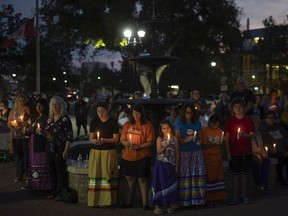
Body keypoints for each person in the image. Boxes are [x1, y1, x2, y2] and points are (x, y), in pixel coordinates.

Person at [119, 103, 155, 210]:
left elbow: (150, 141)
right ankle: (128, 202)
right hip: (128, 156)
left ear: (142, 114)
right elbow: (122, 139)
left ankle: (145, 203)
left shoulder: (147, 125)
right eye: (134, 113)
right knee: (129, 179)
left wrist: (139, 146)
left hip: (142, 156)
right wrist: (127, 144)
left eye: (138, 113)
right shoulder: (127, 125)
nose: (135, 116)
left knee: (142, 179)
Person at [87, 102, 120, 207]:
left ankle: (106, 201)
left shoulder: (113, 122)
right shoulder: (94, 122)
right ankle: (94, 200)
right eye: (98, 111)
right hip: (96, 152)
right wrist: (94, 141)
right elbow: (91, 137)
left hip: (108, 151)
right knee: (95, 174)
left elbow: (116, 138)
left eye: (102, 111)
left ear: (107, 110)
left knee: (106, 174)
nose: (100, 114)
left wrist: (103, 140)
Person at [224, 98, 256, 205]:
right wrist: (228, 152)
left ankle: (244, 195)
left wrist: (245, 135)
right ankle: (235, 196)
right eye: (235, 107)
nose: (238, 109)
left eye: (240, 107)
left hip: (246, 152)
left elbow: (253, 134)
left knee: (244, 175)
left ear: (244, 108)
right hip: (234, 153)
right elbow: (227, 137)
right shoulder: (230, 120)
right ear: (233, 109)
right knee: (235, 175)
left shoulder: (248, 120)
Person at [175, 103, 206, 207]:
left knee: (196, 174)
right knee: (185, 175)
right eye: (187, 113)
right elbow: (177, 138)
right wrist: (184, 140)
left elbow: (200, 137)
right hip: (184, 152)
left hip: (196, 151)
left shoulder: (197, 123)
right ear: (184, 113)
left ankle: (197, 200)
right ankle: (184, 201)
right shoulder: (179, 122)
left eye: (191, 113)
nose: (189, 115)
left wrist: (199, 141)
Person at [45, 96, 73, 201]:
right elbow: (47, 133)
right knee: (51, 171)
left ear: (61, 106)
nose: (55, 106)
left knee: (60, 171)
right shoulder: (49, 119)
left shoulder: (65, 119)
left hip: (60, 150)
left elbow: (69, 136)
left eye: (57, 104)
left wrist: (66, 150)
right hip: (49, 149)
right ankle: (53, 191)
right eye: (53, 105)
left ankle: (60, 193)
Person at [152, 120, 179, 214]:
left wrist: (177, 165)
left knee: (170, 184)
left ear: (171, 128)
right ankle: (157, 206)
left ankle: (170, 205)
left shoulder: (174, 139)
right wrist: (165, 147)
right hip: (161, 165)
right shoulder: (160, 139)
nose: (166, 130)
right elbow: (158, 152)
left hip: (170, 165)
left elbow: (176, 152)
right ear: (161, 129)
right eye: (163, 128)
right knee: (159, 184)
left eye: (168, 128)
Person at [23, 98, 50, 190]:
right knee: (33, 164)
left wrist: (38, 131)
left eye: (40, 106)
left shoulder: (46, 118)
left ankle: (42, 186)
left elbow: (47, 132)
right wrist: (25, 130)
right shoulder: (35, 117)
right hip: (33, 144)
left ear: (45, 107)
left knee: (41, 164)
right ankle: (34, 184)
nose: (38, 107)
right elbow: (30, 129)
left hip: (40, 144)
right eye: (37, 105)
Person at [201, 114, 227, 206]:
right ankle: (209, 199)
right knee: (209, 177)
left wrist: (222, 143)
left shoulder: (220, 131)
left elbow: (222, 145)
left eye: (217, 124)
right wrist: (214, 143)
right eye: (214, 124)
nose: (216, 126)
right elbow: (203, 145)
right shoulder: (204, 131)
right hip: (208, 158)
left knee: (218, 177)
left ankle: (219, 198)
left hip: (217, 157)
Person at [258, 111, 288, 186]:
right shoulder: (263, 129)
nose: (271, 119)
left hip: (284, 150)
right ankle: (280, 178)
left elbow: (286, 137)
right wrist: (280, 151)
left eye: (273, 118)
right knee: (280, 159)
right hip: (272, 151)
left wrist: (286, 150)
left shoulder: (279, 127)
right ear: (265, 119)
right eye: (269, 118)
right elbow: (265, 142)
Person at [7, 94, 29, 183]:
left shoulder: (27, 110)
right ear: (17, 102)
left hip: (25, 137)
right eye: (20, 101)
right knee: (18, 156)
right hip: (16, 136)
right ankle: (18, 175)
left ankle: (27, 175)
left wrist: (24, 124)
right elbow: (9, 123)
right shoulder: (13, 111)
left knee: (26, 156)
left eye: (23, 101)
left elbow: (30, 121)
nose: (21, 102)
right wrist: (13, 126)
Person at [250, 115, 271, 193]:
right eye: (255, 123)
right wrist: (257, 155)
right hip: (251, 155)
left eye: (258, 123)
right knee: (256, 162)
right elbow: (248, 149)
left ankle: (263, 184)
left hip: (258, 154)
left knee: (267, 160)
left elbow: (261, 146)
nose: (257, 125)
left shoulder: (258, 133)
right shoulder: (248, 134)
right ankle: (259, 183)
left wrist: (263, 155)